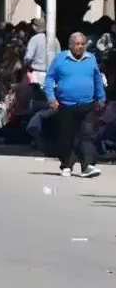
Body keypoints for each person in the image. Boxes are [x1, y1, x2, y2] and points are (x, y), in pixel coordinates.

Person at [44, 32, 105, 178]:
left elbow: (97, 79)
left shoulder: (91, 59)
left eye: (82, 44)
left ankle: (88, 166)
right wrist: (51, 97)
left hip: (87, 104)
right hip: (66, 104)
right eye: (77, 44)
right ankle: (67, 164)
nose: (80, 47)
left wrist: (101, 97)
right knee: (67, 136)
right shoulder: (60, 59)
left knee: (87, 134)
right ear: (70, 45)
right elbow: (49, 79)